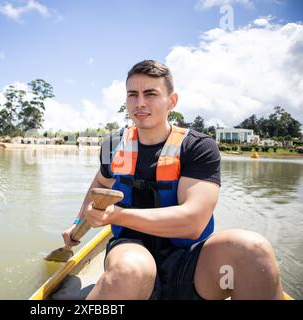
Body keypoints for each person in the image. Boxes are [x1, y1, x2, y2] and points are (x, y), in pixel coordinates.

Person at [62, 60, 284, 300]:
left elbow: (193, 223)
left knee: (253, 249)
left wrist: (116, 216)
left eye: (150, 94)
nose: (140, 103)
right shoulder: (113, 145)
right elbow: (100, 184)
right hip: (131, 252)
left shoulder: (198, 147)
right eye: (132, 95)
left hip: (191, 263)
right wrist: (78, 220)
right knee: (130, 270)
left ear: (172, 101)